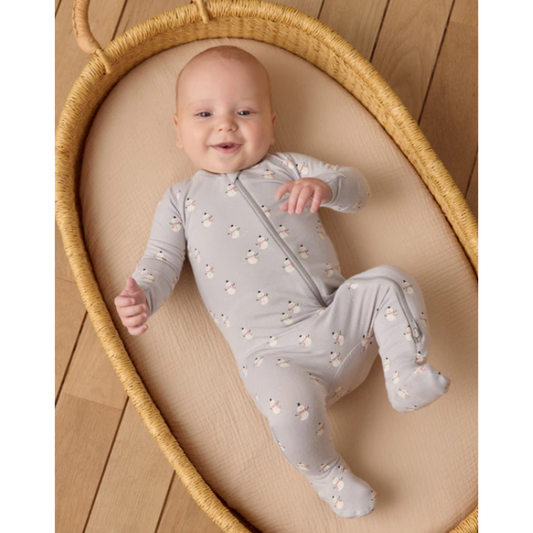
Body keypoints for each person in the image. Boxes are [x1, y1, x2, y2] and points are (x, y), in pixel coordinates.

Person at [114, 45, 451, 519]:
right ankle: (327, 474)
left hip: (339, 318)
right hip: (274, 357)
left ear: (271, 124)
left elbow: (358, 189)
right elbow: (162, 260)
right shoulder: (180, 201)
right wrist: (142, 296)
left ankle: (404, 372)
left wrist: (326, 187)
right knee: (286, 411)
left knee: (390, 281)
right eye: (204, 114)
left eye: (244, 112)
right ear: (178, 130)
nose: (225, 125)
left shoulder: (287, 167)